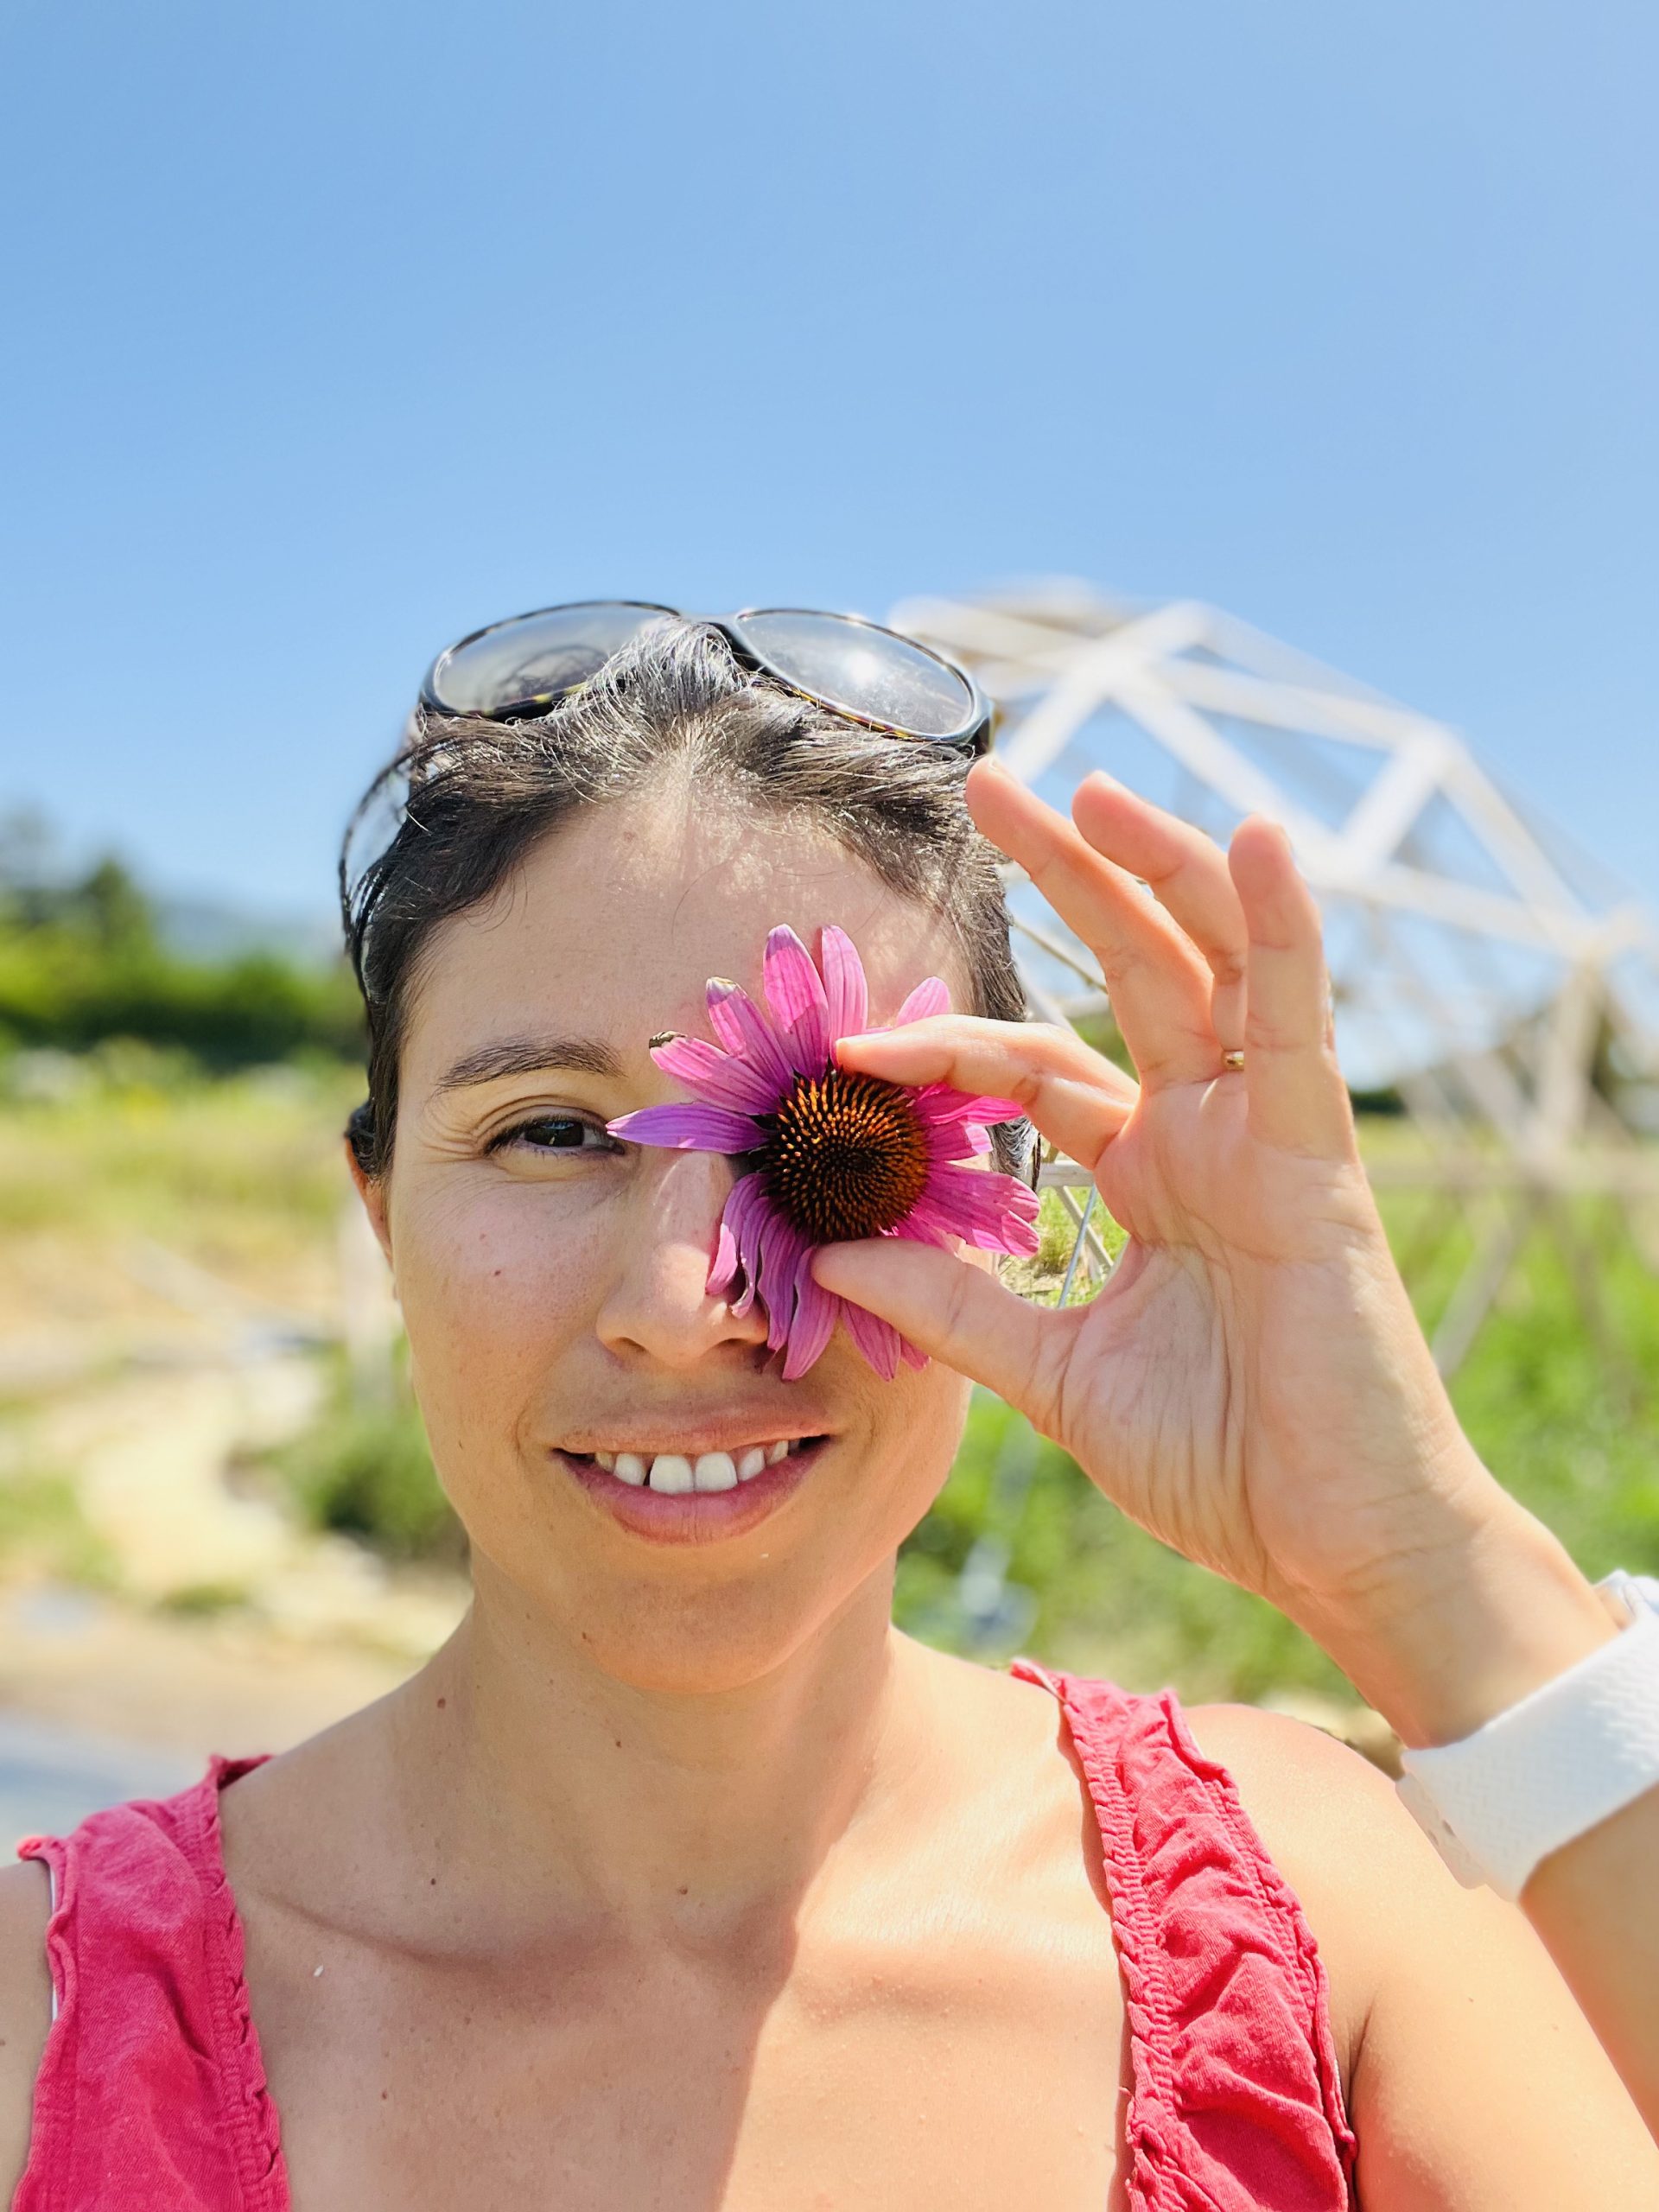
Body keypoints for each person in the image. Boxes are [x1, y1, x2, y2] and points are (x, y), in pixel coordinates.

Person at [0, 607, 1654, 2209]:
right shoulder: (44, 2030)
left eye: (830, 1132)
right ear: (382, 1219)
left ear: (1000, 1182)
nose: (679, 1308)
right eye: (552, 1133)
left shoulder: (1330, 1936)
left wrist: (1419, 1571)